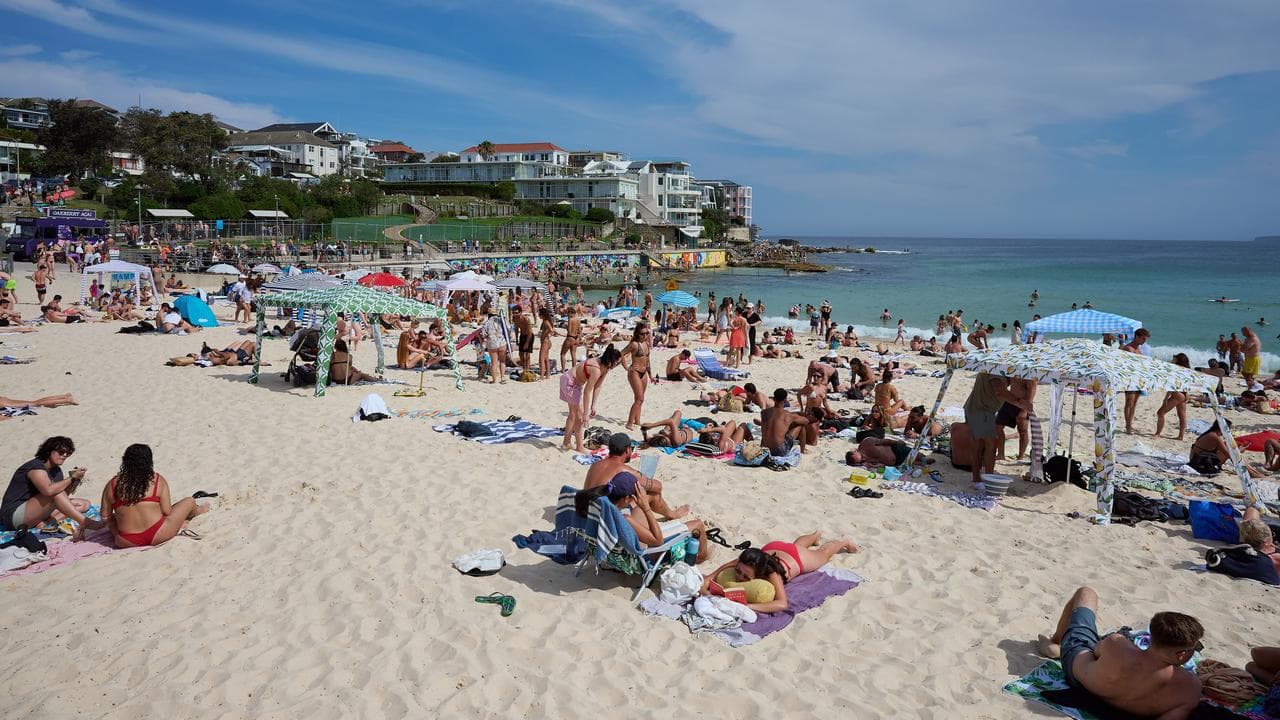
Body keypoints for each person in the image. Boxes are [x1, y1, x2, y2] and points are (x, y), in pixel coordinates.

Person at [1035, 587, 1204, 720]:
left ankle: (1056, 643)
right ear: (1181, 654)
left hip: (1079, 678)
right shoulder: (1190, 688)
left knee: (1086, 593)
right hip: (1125, 712)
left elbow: (1096, 651)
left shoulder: (1117, 644)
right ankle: (1056, 645)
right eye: (1195, 648)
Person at [698, 534, 859, 613]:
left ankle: (844, 541)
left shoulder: (771, 573)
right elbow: (710, 577)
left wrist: (748, 606)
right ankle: (815, 535)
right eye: (738, 571)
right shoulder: (745, 561)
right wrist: (706, 592)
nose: (739, 577)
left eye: (746, 577)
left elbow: (782, 603)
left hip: (796, 558)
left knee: (824, 554)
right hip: (772, 548)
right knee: (794, 545)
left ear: (759, 573)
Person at [573, 472, 709, 563]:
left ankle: (664, 518)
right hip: (645, 555)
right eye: (634, 495)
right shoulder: (625, 519)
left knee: (638, 507)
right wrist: (646, 508)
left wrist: (641, 505)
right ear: (627, 498)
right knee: (698, 524)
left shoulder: (597, 506)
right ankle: (701, 557)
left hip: (615, 550)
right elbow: (658, 541)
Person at [101, 444, 210, 548]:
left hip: (126, 541)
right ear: (149, 462)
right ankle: (198, 510)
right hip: (158, 534)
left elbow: (105, 517)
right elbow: (166, 512)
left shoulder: (111, 485)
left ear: (125, 461)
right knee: (189, 501)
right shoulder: (157, 480)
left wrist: (116, 533)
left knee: (116, 516)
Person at [1, 436, 102, 539]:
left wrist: (74, 481)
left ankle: (46, 522)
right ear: (49, 451)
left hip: (35, 510)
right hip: (14, 515)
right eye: (61, 452)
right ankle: (87, 523)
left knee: (84, 504)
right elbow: (49, 491)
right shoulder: (36, 468)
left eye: (68, 453)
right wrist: (70, 478)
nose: (64, 455)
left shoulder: (56, 470)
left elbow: (62, 497)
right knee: (55, 492)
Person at [585, 433, 688, 519]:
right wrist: (642, 479)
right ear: (627, 450)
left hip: (586, 512)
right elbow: (658, 487)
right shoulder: (624, 470)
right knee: (653, 494)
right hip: (604, 517)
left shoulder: (595, 465)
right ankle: (672, 515)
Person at [964, 372, 1029, 485]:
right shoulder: (997, 371)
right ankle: (987, 479)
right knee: (990, 444)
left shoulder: (991, 368)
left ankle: (977, 478)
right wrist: (1020, 403)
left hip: (975, 409)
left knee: (979, 444)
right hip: (982, 411)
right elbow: (999, 390)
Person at [560, 345, 621, 452]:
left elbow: (597, 386)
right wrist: (586, 414)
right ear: (611, 361)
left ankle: (566, 442)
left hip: (575, 383)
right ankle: (579, 446)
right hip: (570, 382)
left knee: (573, 414)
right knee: (579, 416)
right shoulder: (596, 369)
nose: (617, 365)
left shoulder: (605, 368)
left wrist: (593, 405)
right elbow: (587, 391)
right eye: (617, 363)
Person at [760, 388, 814, 455]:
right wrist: (799, 415)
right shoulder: (788, 415)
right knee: (800, 425)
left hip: (765, 448)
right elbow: (806, 421)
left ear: (774, 399)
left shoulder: (764, 413)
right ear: (785, 400)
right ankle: (802, 450)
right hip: (779, 451)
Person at [620, 323, 654, 429]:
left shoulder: (647, 344)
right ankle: (629, 423)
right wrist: (626, 367)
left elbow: (647, 361)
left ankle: (637, 420)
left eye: (646, 333)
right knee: (639, 398)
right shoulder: (634, 344)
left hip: (644, 373)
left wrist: (651, 375)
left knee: (640, 399)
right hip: (634, 372)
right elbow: (621, 353)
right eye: (642, 334)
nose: (645, 335)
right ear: (637, 334)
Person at [1154, 353, 1192, 440]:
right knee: (1182, 416)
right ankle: (1181, 436)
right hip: (1184, 394)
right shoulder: (1187, 370)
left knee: (1160, 413)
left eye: (1174, 359)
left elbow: (1171, 385)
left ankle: (1158, 434)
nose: (1173, 359)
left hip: (1177, 394)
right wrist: (1187, 395)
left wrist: (1166, 398)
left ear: (1178, 360)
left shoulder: (1176, 370)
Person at [1120, 329, 1150, 433]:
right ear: (1137, 336)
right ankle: (1128, 426)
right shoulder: (1128, 348)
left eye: (1145, 339)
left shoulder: (1139, 350)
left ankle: (1130, 424)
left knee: (1134, 403)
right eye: (1143, 339)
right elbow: (1121, 363)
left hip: (1139, 379)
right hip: (1130, 379)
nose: (1144, 341)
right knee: (1129, 402)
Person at [481, 309, 509, 384]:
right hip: (502, 342)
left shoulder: (486, 323)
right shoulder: (502, 321)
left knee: (494, 363)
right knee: (502, 361)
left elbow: (483, 335)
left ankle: (494, 380)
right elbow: (508, 329)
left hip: (492, 344)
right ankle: (502, 377)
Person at [845, 436, 912, 467]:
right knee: (915, 463)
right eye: (861, 461)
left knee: (918, 456)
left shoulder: (866, 443)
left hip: (896, 450)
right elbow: (881, 464)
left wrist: (897, 442)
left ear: (855, 451)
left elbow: (884, 441)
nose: (863, 459)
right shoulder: (865, 463)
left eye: (862, 457)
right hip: (896, 464)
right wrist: (872, 465)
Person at [537, 307, 560, 379]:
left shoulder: (546, 322)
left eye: (539, 314)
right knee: (546, 359)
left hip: (545, 342)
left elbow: (551, 330)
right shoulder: (546, 321)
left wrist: (546, 334)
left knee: (541, 359)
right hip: (546, 342)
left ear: (542, 315)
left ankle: (542, 376)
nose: (538, 315)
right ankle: (548, 375)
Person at [514, 305, 534, 375]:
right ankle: (524, 368)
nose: (515, 314)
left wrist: (527, 343)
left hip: (529, 336)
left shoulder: (526, 319)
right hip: (522, 335)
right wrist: (516, 339)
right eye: (514, 313)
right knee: (521, 354)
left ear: (520, 312)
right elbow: (516, 329)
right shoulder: (515, 319)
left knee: (527, 354)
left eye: (516, 313)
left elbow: (530, 332)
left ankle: (527, 369)